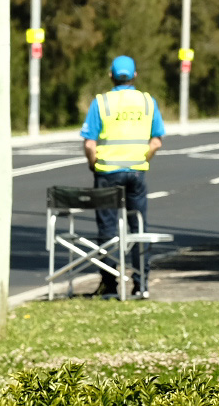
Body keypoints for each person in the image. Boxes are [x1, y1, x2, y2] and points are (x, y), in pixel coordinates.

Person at [79, 54, 164, 297]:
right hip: (136, 173)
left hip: (106, 172)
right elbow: (156, 142)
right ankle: (141, 284)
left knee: (107, 229)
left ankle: (109, 283)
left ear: (111, 76)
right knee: (138, 227)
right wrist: (140, 161)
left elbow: (89, 144)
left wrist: (94, 164)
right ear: (135, 75)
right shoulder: (148, 102)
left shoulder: (101, 103)